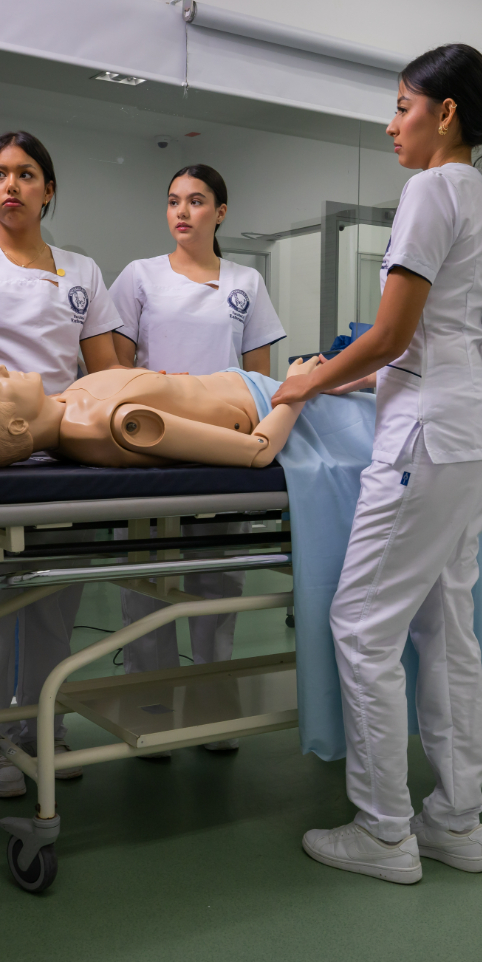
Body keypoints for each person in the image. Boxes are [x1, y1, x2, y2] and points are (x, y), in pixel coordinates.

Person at [271, 44, 482, 884]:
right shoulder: (479, 190)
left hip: (428, 436)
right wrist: (362, 377)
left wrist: (307, 381)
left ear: (445, 113)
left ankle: (382, 831)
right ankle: (456, 821)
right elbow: (442, 334)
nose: (391, 124)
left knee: (361, 627)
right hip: (473, 427)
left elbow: (391, 333)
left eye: (403, 106)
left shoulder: (430, 188)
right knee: (449, 632)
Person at [0, 130, 124, 799]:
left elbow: (106, 377)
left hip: (59, 458)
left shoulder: (83, 272)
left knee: (51, 609)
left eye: (27, 174)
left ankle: (43, 727)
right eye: (0, 174)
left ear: (48, 191)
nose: (11, 185)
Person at [110, 165, 286, 730]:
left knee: (218, 579)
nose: (181, 212)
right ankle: (152, 709)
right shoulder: (139, 277)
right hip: (149, 446)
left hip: (220, 448)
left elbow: (258, 380)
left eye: (196, 201)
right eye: (172, 202)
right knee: (145, 582)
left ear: (221, 212)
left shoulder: (245, 283)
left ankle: (214, 707)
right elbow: (114, 370)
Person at [0, 358, 317, 469]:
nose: (0, 370)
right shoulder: (115, 424)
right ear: (18, 424)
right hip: (293, 415)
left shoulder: (68, 404)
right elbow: (258, 450)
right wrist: (298, 389)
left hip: (277, 394)